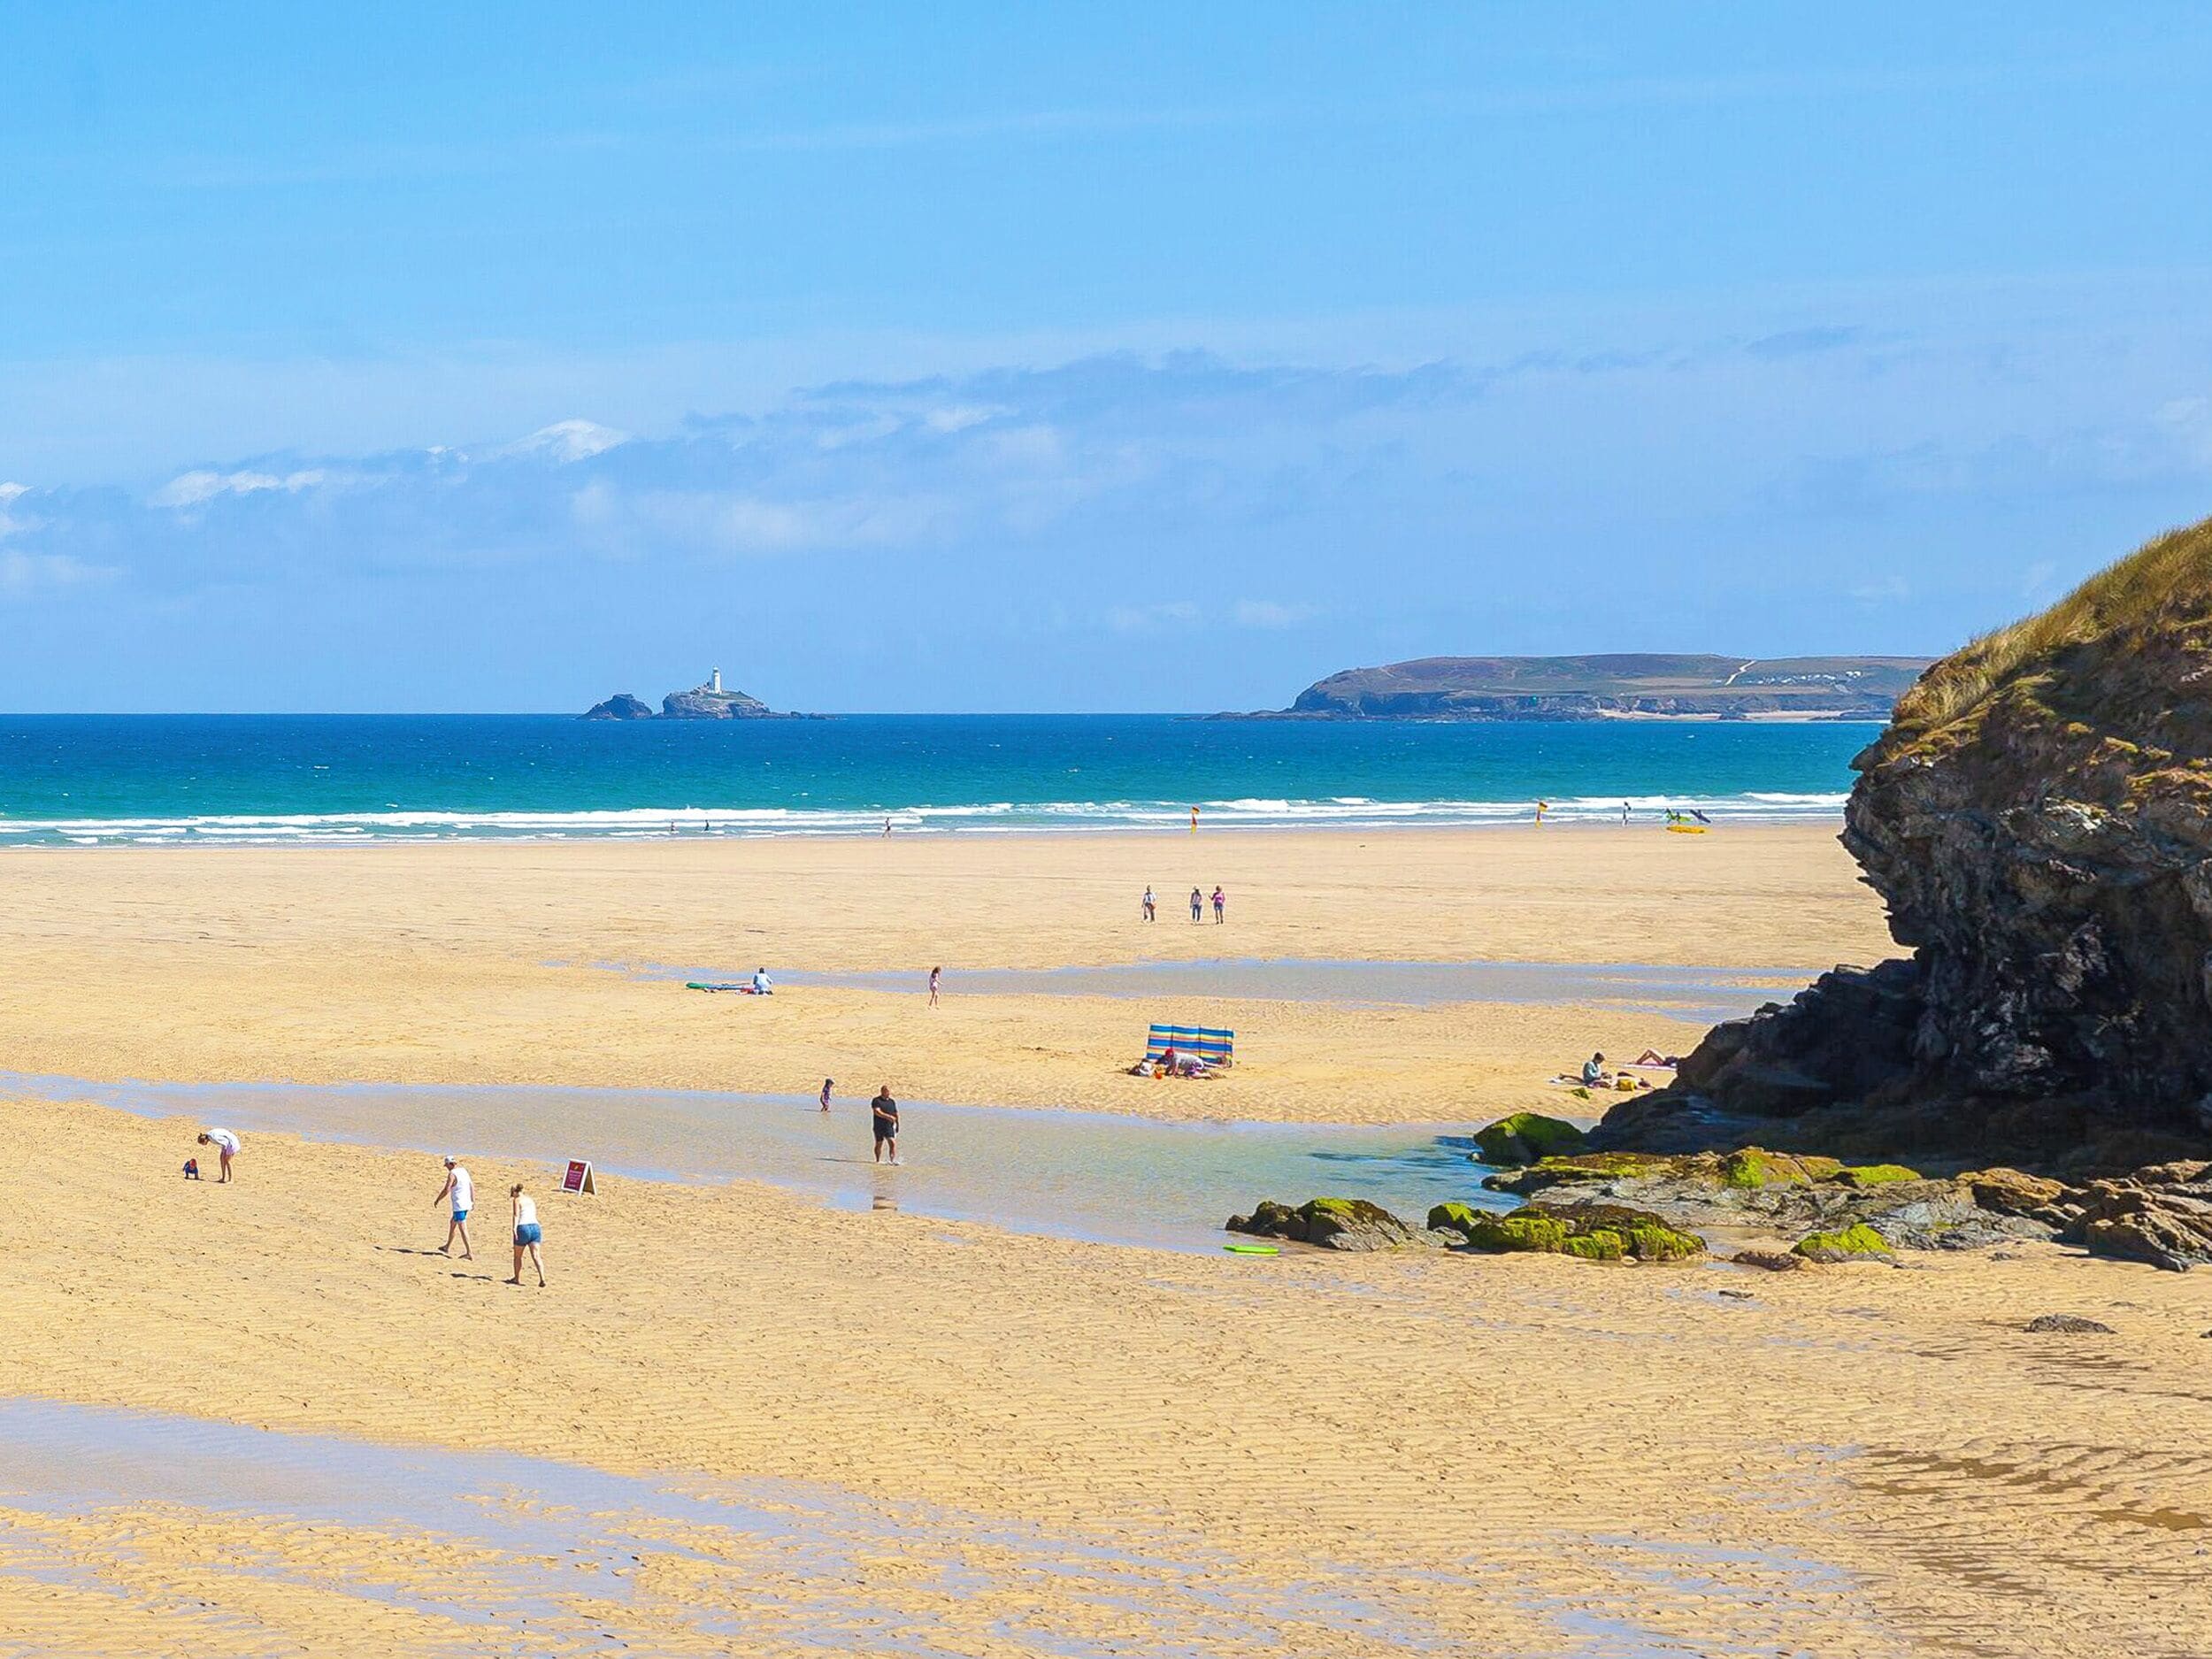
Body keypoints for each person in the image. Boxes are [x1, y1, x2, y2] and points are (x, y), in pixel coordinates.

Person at [434, 1155, 475, 1259]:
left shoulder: (452, 1174)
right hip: (466, 1203)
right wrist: (472, 1200)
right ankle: (447, 1246)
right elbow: (471, 1186)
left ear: (450, 1164)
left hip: (459, 1205)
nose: (446, 1167)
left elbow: (447, 1189)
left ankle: (469, 1252)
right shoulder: (463, 1171)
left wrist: (438, 1199)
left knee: (462, 1228)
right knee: (453, 1223)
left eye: (447, 1165)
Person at [507, 1183, 545, 1287]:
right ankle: (542, 1278)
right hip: (535, 1227)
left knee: (518, 1256)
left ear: (514, 1192)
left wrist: (514, 1228)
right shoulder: (530, 1200)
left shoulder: (517, 1200)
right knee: (536, 1255)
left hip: (523, 1227)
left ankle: (517, 1278)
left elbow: (516, 1215)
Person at [871, 1086, 900, 1164]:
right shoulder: (876, 1100)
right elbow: (877, 1112)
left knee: (892, 1142)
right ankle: (878, 1160)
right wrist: (888, 1116)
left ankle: (892, 1161)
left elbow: (895, 1113)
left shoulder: (892, 1101)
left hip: (889, 1126)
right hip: (879, 1126)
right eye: (886, 1091)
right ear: (882, 1091)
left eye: (889, 1091)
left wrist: (897, 1124)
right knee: (879, 1143)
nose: (888, 1093)